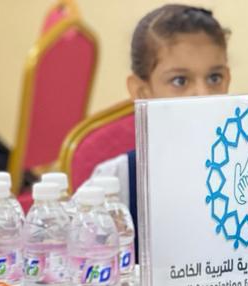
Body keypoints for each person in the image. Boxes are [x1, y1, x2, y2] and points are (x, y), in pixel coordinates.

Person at [91, 4, 231, 217]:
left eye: (214, 78)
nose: (203, 94)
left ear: (227, 80)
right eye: (180, 81)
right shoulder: (116, 183)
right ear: (142, 92)